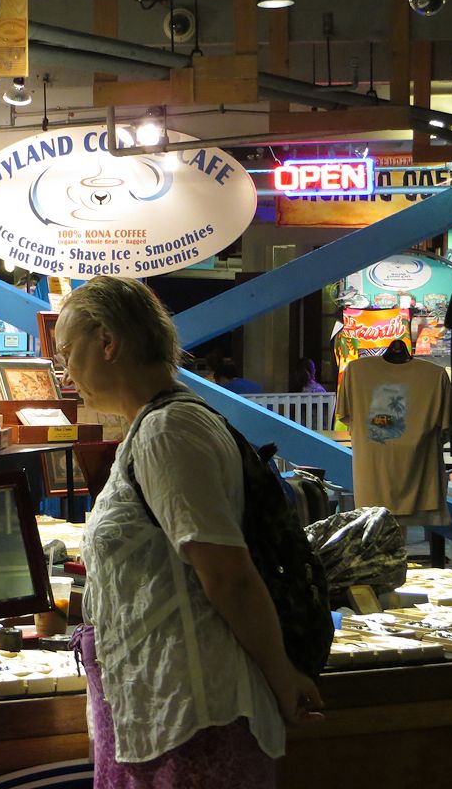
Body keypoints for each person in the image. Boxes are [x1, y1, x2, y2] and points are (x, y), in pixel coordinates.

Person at [55, 276, 323, 787]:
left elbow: (227, 575)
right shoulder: (157, 425)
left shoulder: (168, 431)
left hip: (193, 721)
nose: (66, 372)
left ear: (107, 340)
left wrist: (281, 675)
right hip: (166, 713)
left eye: (67, 352)